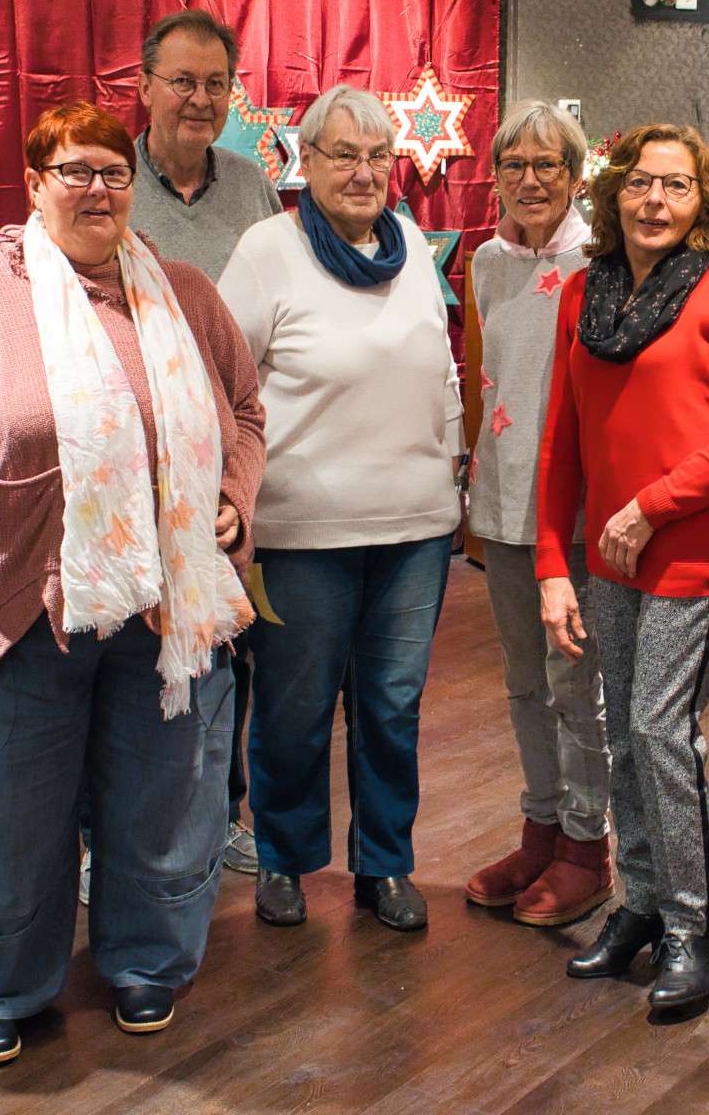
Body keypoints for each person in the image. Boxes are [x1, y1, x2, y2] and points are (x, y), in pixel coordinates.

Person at [0, 101, 266, 1068]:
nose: (98, 189)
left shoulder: (183, 294)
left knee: (163, 806)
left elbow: (246, 411)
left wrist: (234, 495)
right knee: (1, 816)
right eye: (75, 171)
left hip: (167, 613)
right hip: (17, 612)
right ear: (35, 183)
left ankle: (147, 962)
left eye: (114, 173)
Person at [537, 124, 709, 1014]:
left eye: (677, 186)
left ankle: (690, 928)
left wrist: (651, 505)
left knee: (659, 731)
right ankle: (640, 904)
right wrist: (551, 564)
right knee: (624, 739)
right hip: (609, 562)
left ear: (701, 200)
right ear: (615, 193)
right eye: (642, 182)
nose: (656, 201)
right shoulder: (584, 293)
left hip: (693, 555)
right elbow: (562, 440)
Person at [218, 85, 462, 933]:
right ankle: (284, 860)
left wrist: (453, 463)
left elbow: (443, 370)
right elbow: (224, 384)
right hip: (300, 534)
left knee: (392, 710)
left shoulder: (412, 246)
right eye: (343, 154)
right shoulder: (268, 249)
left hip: (416, 529)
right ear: (306, 161)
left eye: (376, 156)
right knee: (294, 711)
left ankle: (385, 865)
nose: (363, 172)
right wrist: (231, 495)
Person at [120, 8, 284, 882]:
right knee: (128, 655)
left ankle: (222, 813)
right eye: (182, 81)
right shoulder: (112, 182)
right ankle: (112, 836)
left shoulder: (254, 187)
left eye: (217, 84)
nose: (200, 99)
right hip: (130, 463)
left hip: (228, 458)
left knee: (230, 646)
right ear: (143, 85)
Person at [463, 100, 613, 927]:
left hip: (575, 512)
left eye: (546, 164)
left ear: (576, 175)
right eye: (513, 165)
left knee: (575, 685)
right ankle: (541, 827)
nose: (529, 180)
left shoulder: (602, 258)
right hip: (502, 501)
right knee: (523, 682)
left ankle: (587, 846)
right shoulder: (486, 262)